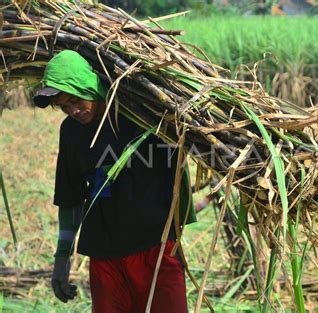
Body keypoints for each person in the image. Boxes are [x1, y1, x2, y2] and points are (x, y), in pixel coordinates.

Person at [33, 50, 196, 312]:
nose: (73, 110)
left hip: (155, 249)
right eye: (64, 106)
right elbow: (71, 198)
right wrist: (62, 257)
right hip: (104, 254)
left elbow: (183, 147)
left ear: (90, 86)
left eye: (76, 100)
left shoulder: (139, 117)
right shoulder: (72, 132)